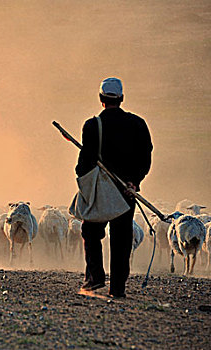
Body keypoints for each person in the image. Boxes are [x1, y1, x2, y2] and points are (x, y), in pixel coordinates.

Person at [76, 77, 153, 298]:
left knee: (90, 231)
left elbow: (85, 164)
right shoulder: (138, 124)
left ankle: (95, 277)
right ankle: (117, 288)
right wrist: (135, 181)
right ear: (122, 98)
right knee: (121, 238)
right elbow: (145, 156)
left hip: (101, 190)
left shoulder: (92, 125)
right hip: (126, 191)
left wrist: (84, 182)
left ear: (101, 99)